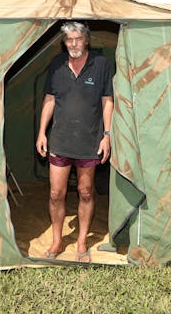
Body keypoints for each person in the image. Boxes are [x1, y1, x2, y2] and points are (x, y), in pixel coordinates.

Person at [35, 21, 113, 263]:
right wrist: (41, 132)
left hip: (89, 141)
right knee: (56, 193)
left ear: (86, 40)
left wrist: (107, 136)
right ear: (64, 42)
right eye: (69, 40)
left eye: (78, 39)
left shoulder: (101, 65)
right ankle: (58, 240)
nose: (73, 44)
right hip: (60, 140)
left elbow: (107, 101)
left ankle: (81, 241)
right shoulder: (57, 65)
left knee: (86, 192)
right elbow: (49, 99)